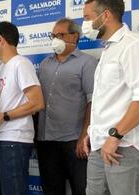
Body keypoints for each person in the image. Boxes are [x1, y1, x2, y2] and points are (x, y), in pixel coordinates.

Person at [82, 1, 139, 195]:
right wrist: (93, 131)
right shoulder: (108, 49)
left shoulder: (133, 45)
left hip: (125, 145)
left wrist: (116, 135)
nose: (84, 23)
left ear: (105, 16)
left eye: (87, 17)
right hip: (100, 143)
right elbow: (111, 98)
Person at [0, 21, 45, 195]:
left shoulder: (20, 63)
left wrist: (4, 116)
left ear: (0, 40)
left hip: (15, 139)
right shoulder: (0, 68)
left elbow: (37, 103)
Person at [37, 18, 98, 195]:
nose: (55, 39)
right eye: (53, 35)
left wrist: (84, 136)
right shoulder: (45, 64)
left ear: (74, 36)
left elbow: (92, 102)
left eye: (60, 35)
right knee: (51, 189)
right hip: (46, 140)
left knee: (81, 189)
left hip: (74, 141)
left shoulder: (88, 63)